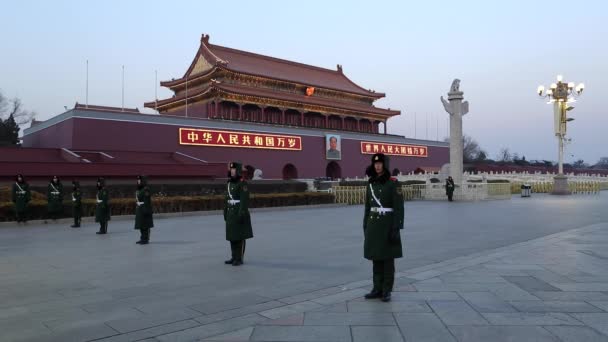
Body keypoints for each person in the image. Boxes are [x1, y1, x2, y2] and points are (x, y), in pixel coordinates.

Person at [363, 153, 404, 302]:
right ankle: (377, 288)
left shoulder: (393, 183)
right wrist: (365, 226)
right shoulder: (371, 183)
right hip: (373, 226)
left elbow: (399, 208)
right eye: (375, 163)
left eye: (380, 163)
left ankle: (387, 290)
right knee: (376, 258)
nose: (377, 166)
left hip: (387, 225)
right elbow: (367, 207)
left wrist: (396, 227)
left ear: (385, 165)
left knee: (387, 260)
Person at [224, 162, 253, 266]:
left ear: (238, 171)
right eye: (231, 170)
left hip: (238, 211)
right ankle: (233, 257)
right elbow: (226, 199)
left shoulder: (242, 183)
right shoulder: (229, 183)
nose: (232, 172)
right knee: (232, 236)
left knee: (240, 236)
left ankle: (239, 258)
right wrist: (225, 212)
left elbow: (244, 199)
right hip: (231, 212)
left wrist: (242, 213)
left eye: (234, 170)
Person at [134, 175, 154, 244]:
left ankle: (146, 239)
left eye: (140, 180)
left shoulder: (146, 189)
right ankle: (142, 238)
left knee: (145, 225)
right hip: (139, 209)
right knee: (141, 225)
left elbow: (147, 201)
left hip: (144, 208)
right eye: (138, 180)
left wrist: (146, 210)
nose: (138, 181)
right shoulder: (139, 190)